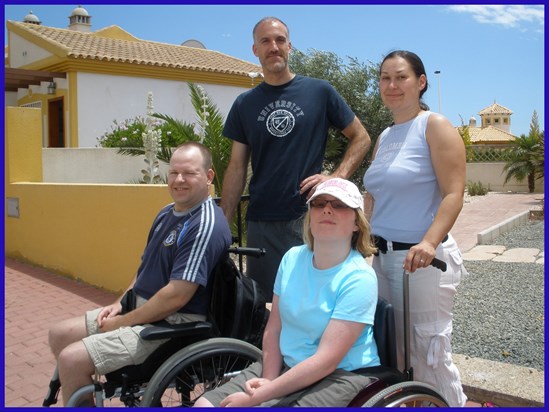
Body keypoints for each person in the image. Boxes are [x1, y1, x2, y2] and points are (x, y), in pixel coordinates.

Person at [47, 142, 232, 406]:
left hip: (172, 324)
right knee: (59, 334)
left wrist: (122, 323)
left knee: (71, 359)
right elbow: (145, 269)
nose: (179, 179)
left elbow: (176, 297)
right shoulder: (166, 213)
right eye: (174, 172)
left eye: (189, 173)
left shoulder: (204, 225)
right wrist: (118, 304)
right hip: (141, 309)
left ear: (209, 176)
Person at [220, 16, 371, 302]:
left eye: (279, 40)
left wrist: (334, 180)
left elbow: (361, 137)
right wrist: (222, 223)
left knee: (312, 301)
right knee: (263, 305)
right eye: (265, 41)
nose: (273, 46)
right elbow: (237, 166)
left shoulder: (319, 91)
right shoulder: (244, 104)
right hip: (262, 221)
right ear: (255, 49)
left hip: (309, 217)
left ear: (290, 47)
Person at [195, 178, 379, 407]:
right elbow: (274, 329)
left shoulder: (359, 277)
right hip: (285, 363)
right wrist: (268, 379)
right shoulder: (292, 258)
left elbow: (326, 360)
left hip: (340, 375)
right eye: (319, 204)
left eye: (339, 205)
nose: (327, 209)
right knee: (205, 405)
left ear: (356, 223)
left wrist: (262, 396)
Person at [362, 50, 468, 406]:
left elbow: (454, 193)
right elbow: (373, 196)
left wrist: (429, 242)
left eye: (401, 77)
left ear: (421, 82)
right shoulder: (385, 136)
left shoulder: (434, 125)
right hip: (381, 257)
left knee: (429, 354)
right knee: (394, 353)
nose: (392, 85)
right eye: (385, 78)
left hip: (422, 261)